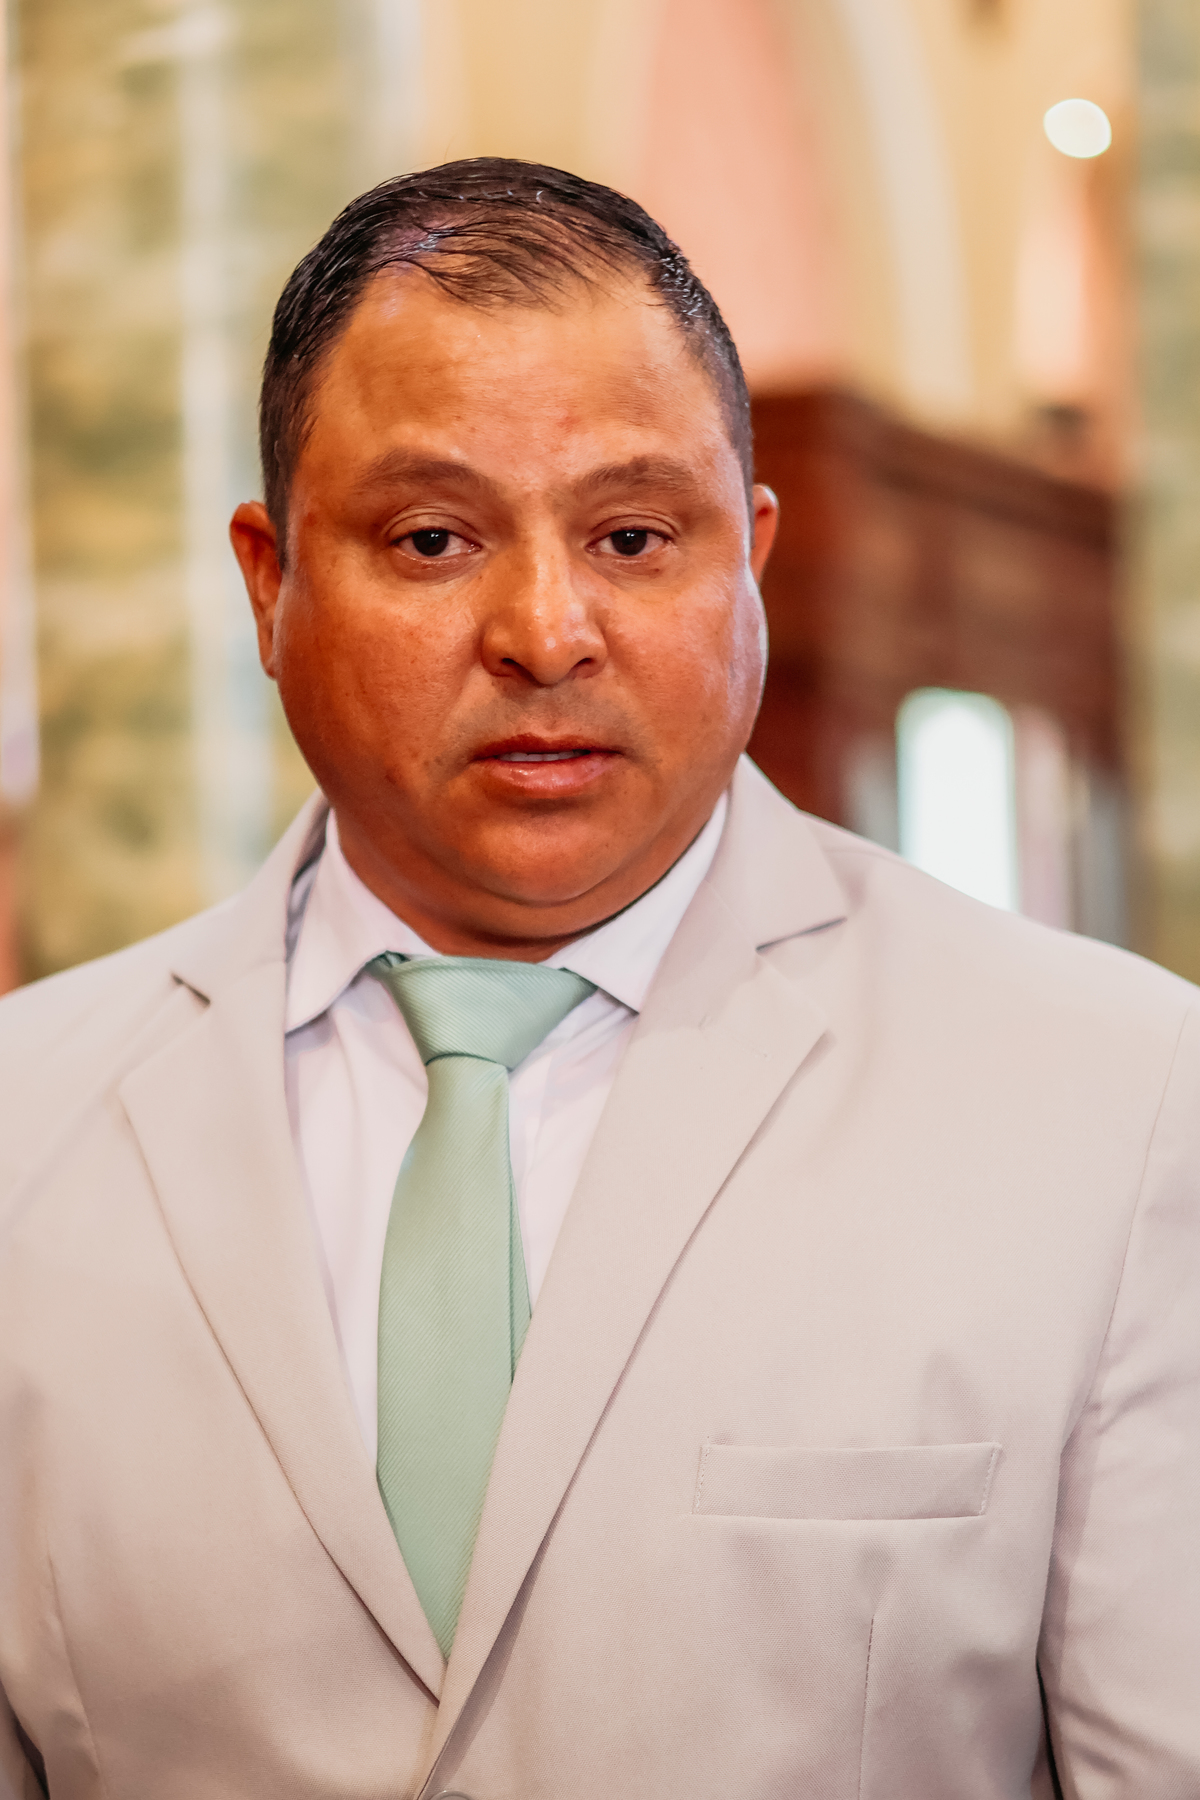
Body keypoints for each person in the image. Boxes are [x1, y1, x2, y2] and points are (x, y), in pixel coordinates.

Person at [0, 157, 1198, 1800]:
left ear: (748, 560)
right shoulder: (30, 1120)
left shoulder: (1113, 1099)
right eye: (432, 538)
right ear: (272, 584)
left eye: (634, 536)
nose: (547, 631)